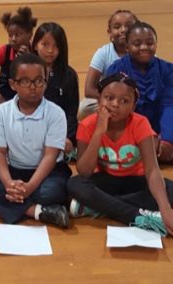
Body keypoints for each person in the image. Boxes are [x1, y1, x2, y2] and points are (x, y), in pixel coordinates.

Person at [68, 73, 173, 237]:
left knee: (169, 190)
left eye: (124, 101)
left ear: (133, 106)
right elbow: (84, 172)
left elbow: (152, 170)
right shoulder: (87, 125)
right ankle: (138, 216)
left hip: (135, 180)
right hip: (106, 180)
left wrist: (165, 209)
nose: (115, 104)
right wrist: (98, 133)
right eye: (109, 98)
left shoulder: (140, 123)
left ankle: (97, 207)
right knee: (74, 184)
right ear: (99, 99)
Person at [0, 53, 71, 228]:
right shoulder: (1, 112)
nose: (33, 87)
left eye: (38, 81)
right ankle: (36, 211)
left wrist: (30, 187)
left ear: (45, 82)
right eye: (25, 81)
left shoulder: (56, 113)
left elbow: (50, 156)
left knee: (54, 191)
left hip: (46, 172)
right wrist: (9, 183)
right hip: (14, 170)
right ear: (13, 84)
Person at [107, 21, 173, 163]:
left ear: (156, 44)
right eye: (137, 44)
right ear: (127, 47)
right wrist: (147, 135)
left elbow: (169, 105)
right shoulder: (115, 70)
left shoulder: (167, 69)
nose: (144, 47)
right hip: (128, 129)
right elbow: (114, 110)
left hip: (161, 130)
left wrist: (167, 138)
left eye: (150, 43)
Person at [32, 22, 79, 160]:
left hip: (59, 131)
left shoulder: (69, 75)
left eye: (55, 46)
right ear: (35, 45)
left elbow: (71, 112)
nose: (50, 50)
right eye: (45, 44)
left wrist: (68, 137)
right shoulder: (25, 72)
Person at [79, 10, 138, 120]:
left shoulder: (143, 52)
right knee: (84, 108)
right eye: (117, 26)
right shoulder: (104, 53)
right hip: (108, 98)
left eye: (129, 26)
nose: (123, 30)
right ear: (109, 32)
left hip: (136, 99)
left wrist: (129, 100)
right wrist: (110, 99)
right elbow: (89, 89)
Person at [0, 6, 37, 104]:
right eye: (10, 35)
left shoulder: (36, 53)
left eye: (17, 35)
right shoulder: (4, 51)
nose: (13, 39)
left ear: (29, 34)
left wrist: (28, 59)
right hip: (4, 99)